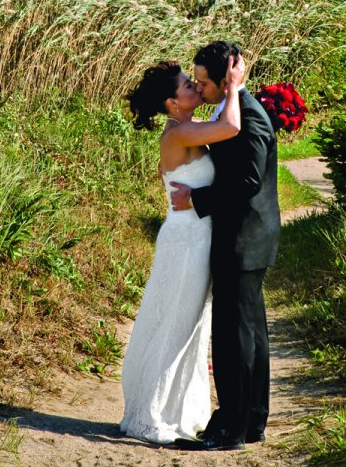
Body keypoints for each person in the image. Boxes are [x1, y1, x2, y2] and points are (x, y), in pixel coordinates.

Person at [120, 55, 245, 444]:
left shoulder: (186, 130)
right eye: (187, 85)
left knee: (190, 326)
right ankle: (151, 414)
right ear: (172, 104)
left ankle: (178, 411)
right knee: (176, 324)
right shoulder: (178, 133)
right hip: (185, 244)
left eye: (193, 81)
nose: (194, 86)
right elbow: (232, 125)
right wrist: (235, 84)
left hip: (192, 238)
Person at [170, 40, 280, 452]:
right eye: (194, 81)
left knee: (234, 337)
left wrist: (196, 200)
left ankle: (230, 430)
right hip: (249, 238)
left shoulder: (248, 116)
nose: (198, 89)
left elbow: (248, 182)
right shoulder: (232, 110)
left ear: (224, 80)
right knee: (250, 333)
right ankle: (251, 421)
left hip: (243, 239)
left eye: (202, 82)